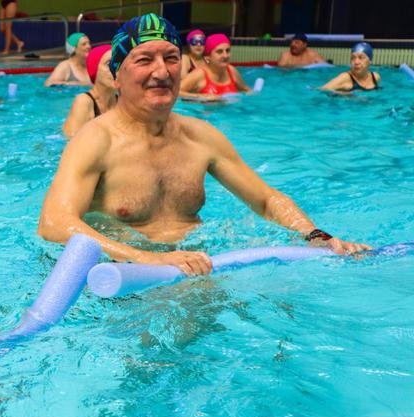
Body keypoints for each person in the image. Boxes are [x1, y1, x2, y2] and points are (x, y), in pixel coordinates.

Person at [38, 14, 369, 277]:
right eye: (144, 60)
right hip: (128, 280)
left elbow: (267, 200)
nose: (161, 70)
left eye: (171, 57)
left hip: (199, 266)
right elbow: (54, 223)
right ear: (117, 74)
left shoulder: (200, 136)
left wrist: (316, 237)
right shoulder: (96, 140)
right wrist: (147, 259)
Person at [62, 44, 114, 138]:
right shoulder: (84, 102)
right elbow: (70, 143)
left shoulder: (121, 102)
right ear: (95, 70)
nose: (116, 70)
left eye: (118, 64)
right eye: (109, 64)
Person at [180, 33, 250, 101]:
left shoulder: (231, 71)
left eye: (227, 51)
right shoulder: (199, 75)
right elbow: (176, 92)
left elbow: (247, 90)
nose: (225, 56)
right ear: (208, 57)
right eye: (219, 52)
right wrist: (201, 97)